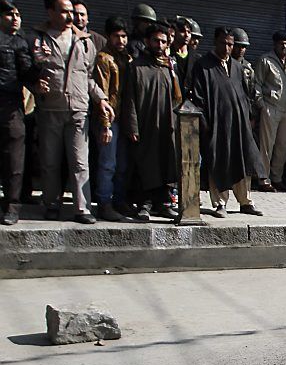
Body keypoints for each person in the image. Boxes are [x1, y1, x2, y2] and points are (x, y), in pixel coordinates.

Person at [31, 0, 112, 224]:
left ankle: (82, 208)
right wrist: (35, 84)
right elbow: (29, 70)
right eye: (65, 11)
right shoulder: (40, 38)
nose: (70, 16)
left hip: (78, 108)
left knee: (80, 160)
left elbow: (88, 77)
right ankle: (51, 203)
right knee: (50, 160)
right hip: (50, 108)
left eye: (72, 12)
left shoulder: (84, 41)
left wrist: (101, 99)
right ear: (51, 12)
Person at [188, 26, 264, 218]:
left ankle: (245, 202)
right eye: (223, 43)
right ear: (215, 41)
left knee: (243, 160)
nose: (227, 48)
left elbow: (245, 95)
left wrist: (248, 117)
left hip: (239, 125)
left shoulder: (238, 67)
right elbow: (198, 98)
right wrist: (205, 123)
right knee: (218, 162)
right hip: (216, 124)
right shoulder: (204, 65)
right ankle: (220, 203)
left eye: (230, 44)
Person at [122, 23, 182, 222]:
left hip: (166, 126)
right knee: (146, 165)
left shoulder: (168, 66)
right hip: (145, 125)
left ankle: (163, 204)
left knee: (166, 163)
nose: (160, 44)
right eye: (156, 40)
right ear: (147, 41)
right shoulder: (136, 67)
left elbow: (176, 97)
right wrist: (132, 126)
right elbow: (129, 99)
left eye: (164, 41)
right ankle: (144, 205)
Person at [0, 0, 39, 226]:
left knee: (14, 156)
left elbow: (27, 73)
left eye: (17, 14)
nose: (15, 18)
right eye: (9, 14)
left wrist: (39, 65)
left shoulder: (19, 43)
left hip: (11, 103)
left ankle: (12, 206)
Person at [91, 16, 131, 222]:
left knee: (122, 165)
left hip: (124, 119)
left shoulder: (126, 58)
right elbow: (103, 95)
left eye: (124, 36)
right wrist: (105, 125)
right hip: (110, 118)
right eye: (117, 36)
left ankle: (119, 200)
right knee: (108, 164)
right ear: (108, 36)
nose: (121, 41)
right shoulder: (103, 59)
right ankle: (104, 203)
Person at [255, 30, 286, 192]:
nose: (284, 46)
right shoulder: (266, 61)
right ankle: (263, 178)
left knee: (283, 146)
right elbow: (257, 83)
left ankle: (277, 177)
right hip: (271, 107)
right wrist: (261, 106)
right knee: (266, 145)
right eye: (281, 43)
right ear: (275, 44)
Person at [171, 17, 196, 91]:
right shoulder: (168, 55)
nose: (186, 35)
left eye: (189, 32)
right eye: (182, 31)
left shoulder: (196, 58)